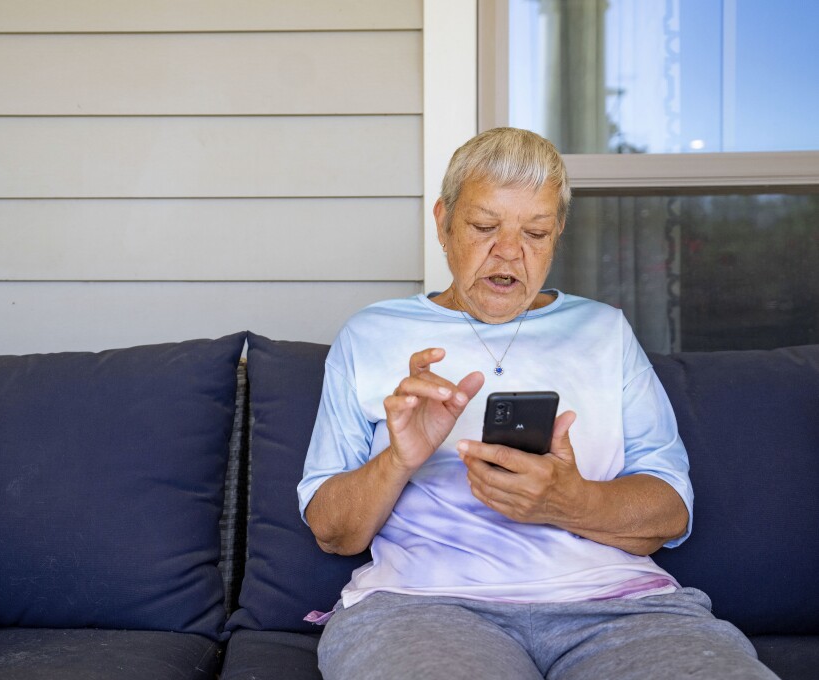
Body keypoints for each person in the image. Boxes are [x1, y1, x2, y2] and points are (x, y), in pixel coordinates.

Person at [297, 128, 776, 679]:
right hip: (422, 605)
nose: (509, 252)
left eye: (536, 232)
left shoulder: (603, 330)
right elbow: (333, 532)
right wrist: (399, 459)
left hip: (621, 607)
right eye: (484, 227)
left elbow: (670, 509)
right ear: (443, 221)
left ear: (557, 234)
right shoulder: (371, 334)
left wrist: (566, 502)